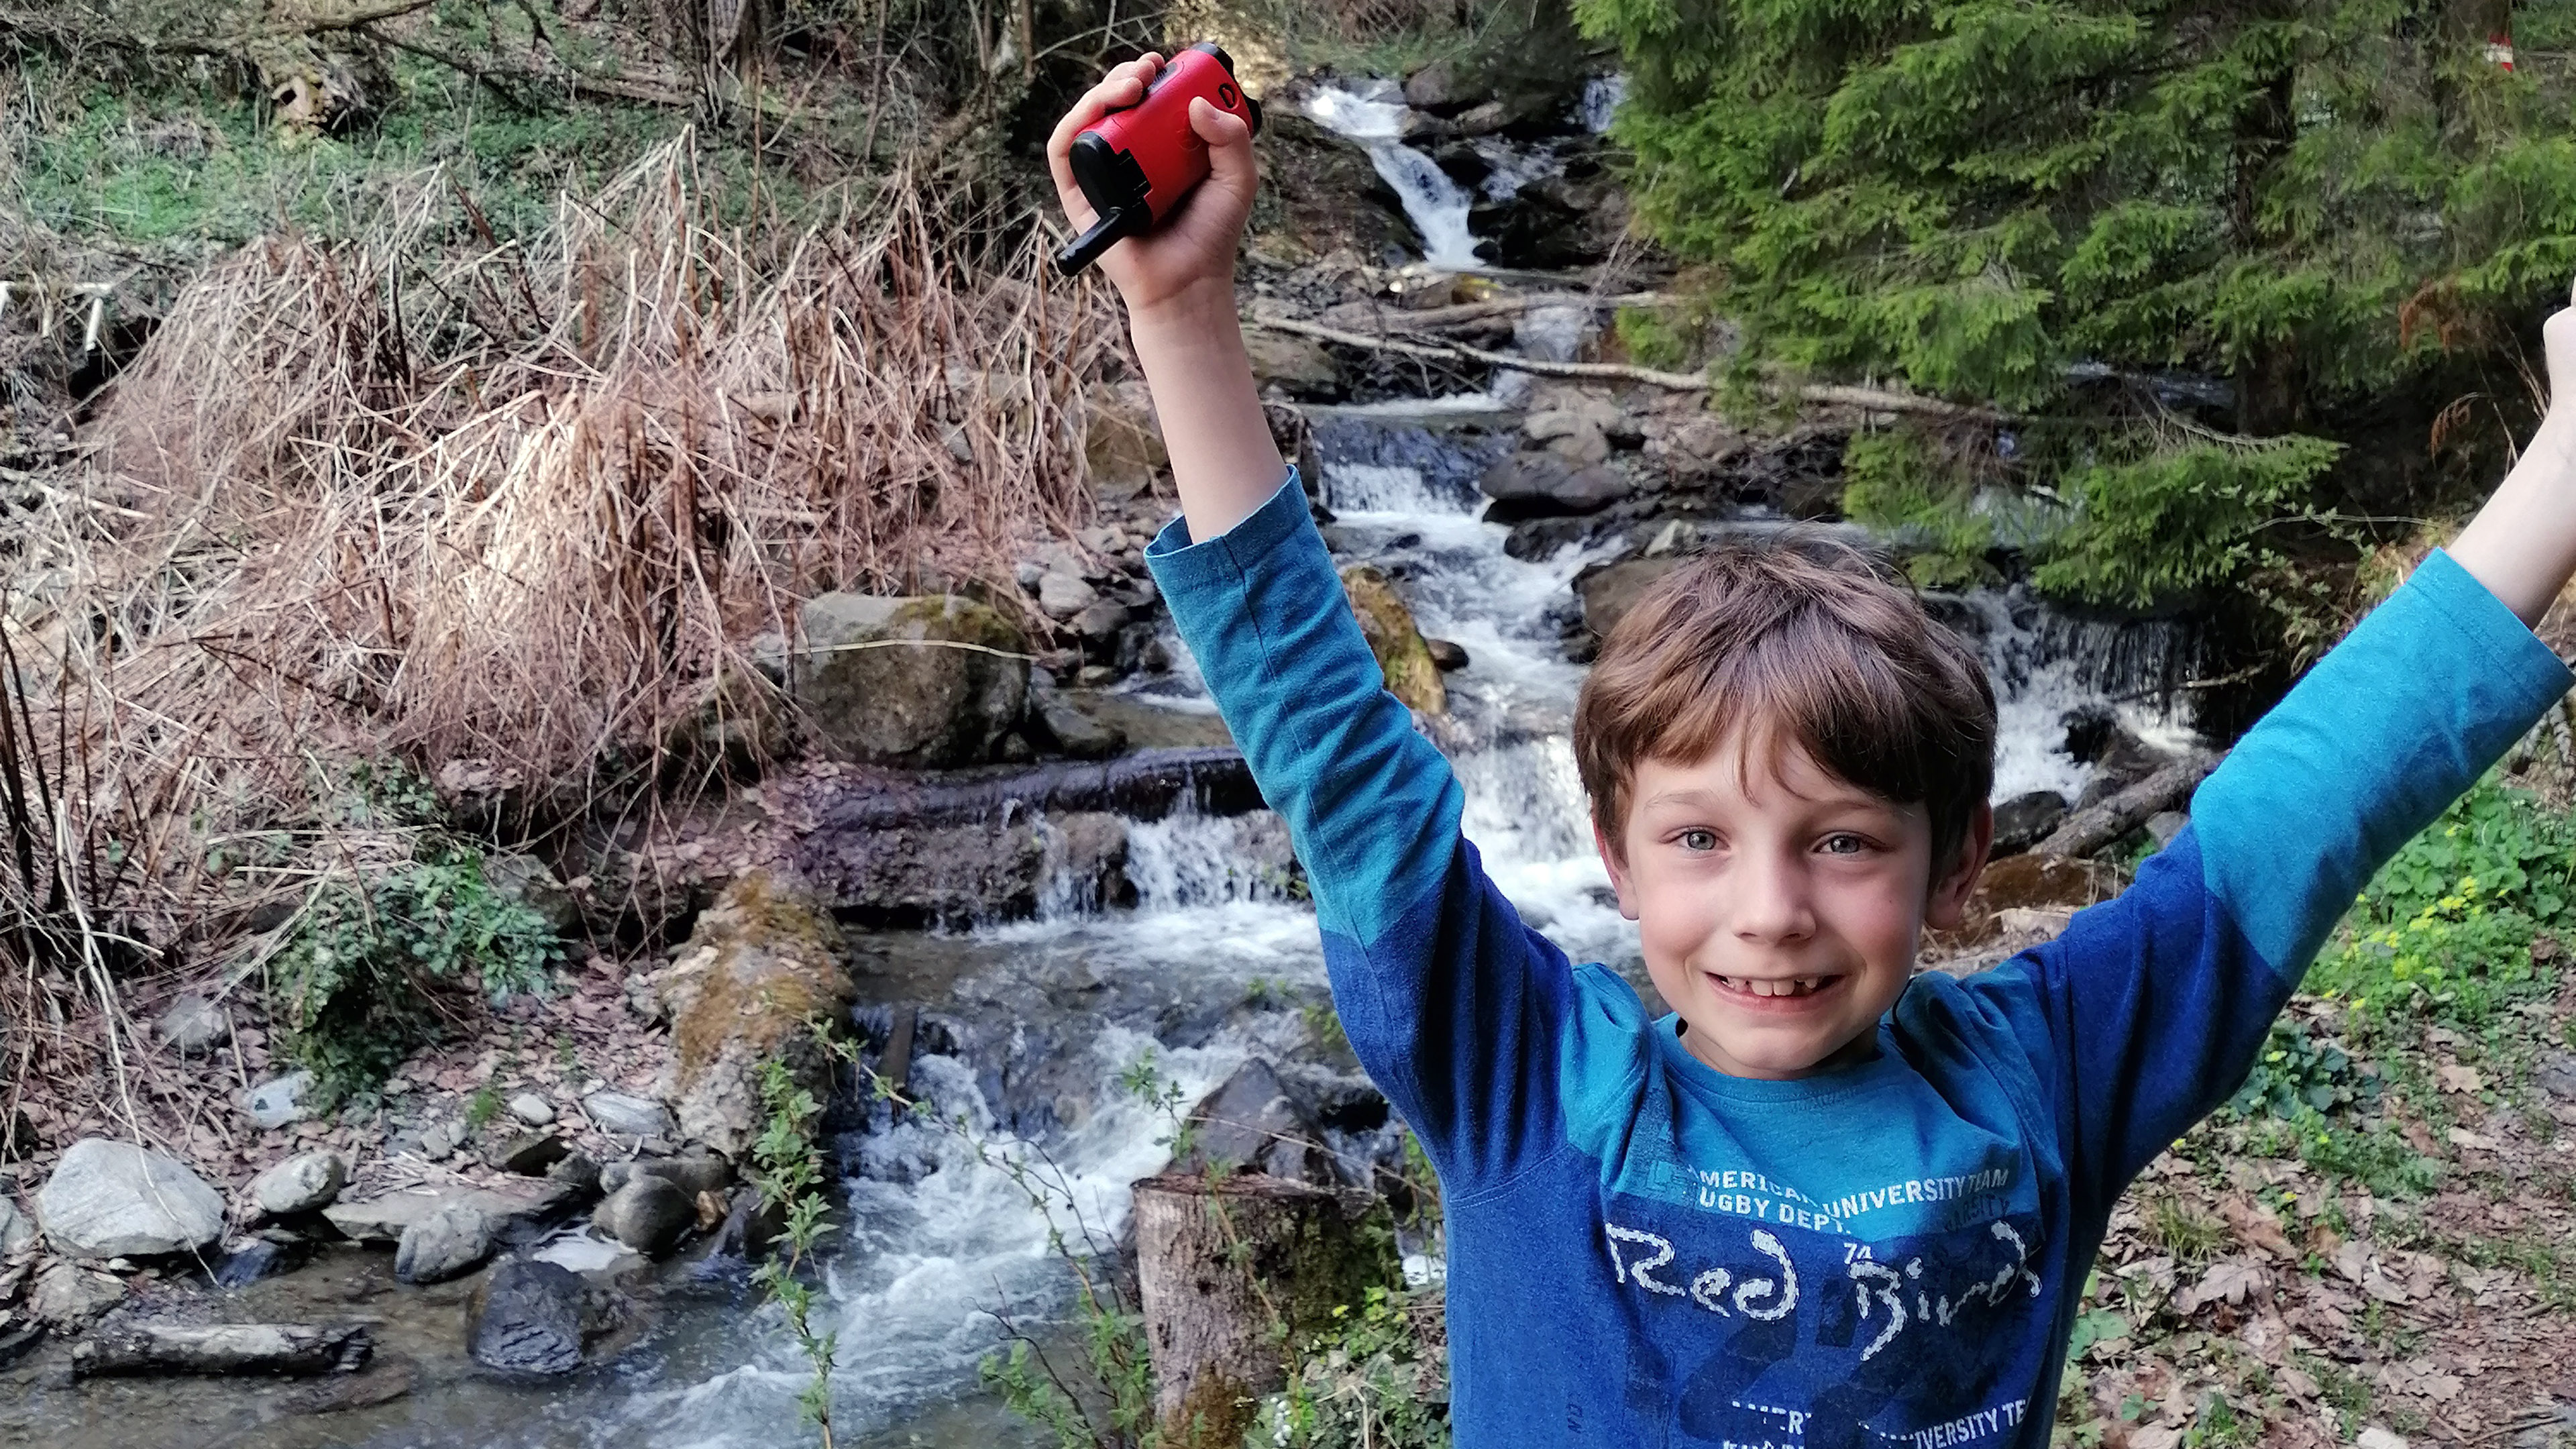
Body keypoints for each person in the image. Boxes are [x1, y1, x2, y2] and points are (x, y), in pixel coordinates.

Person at [1053, 53, 2576, 1448]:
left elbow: (2304, 809)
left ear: (1960, 863)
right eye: (1700, 839)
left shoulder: (2051, 1071)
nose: (1770, 909)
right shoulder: (1522, 1077)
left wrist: (2562, 467)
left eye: (1842, 841)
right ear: (1613, 859)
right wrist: (1182, 317)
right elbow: (1336, 751)